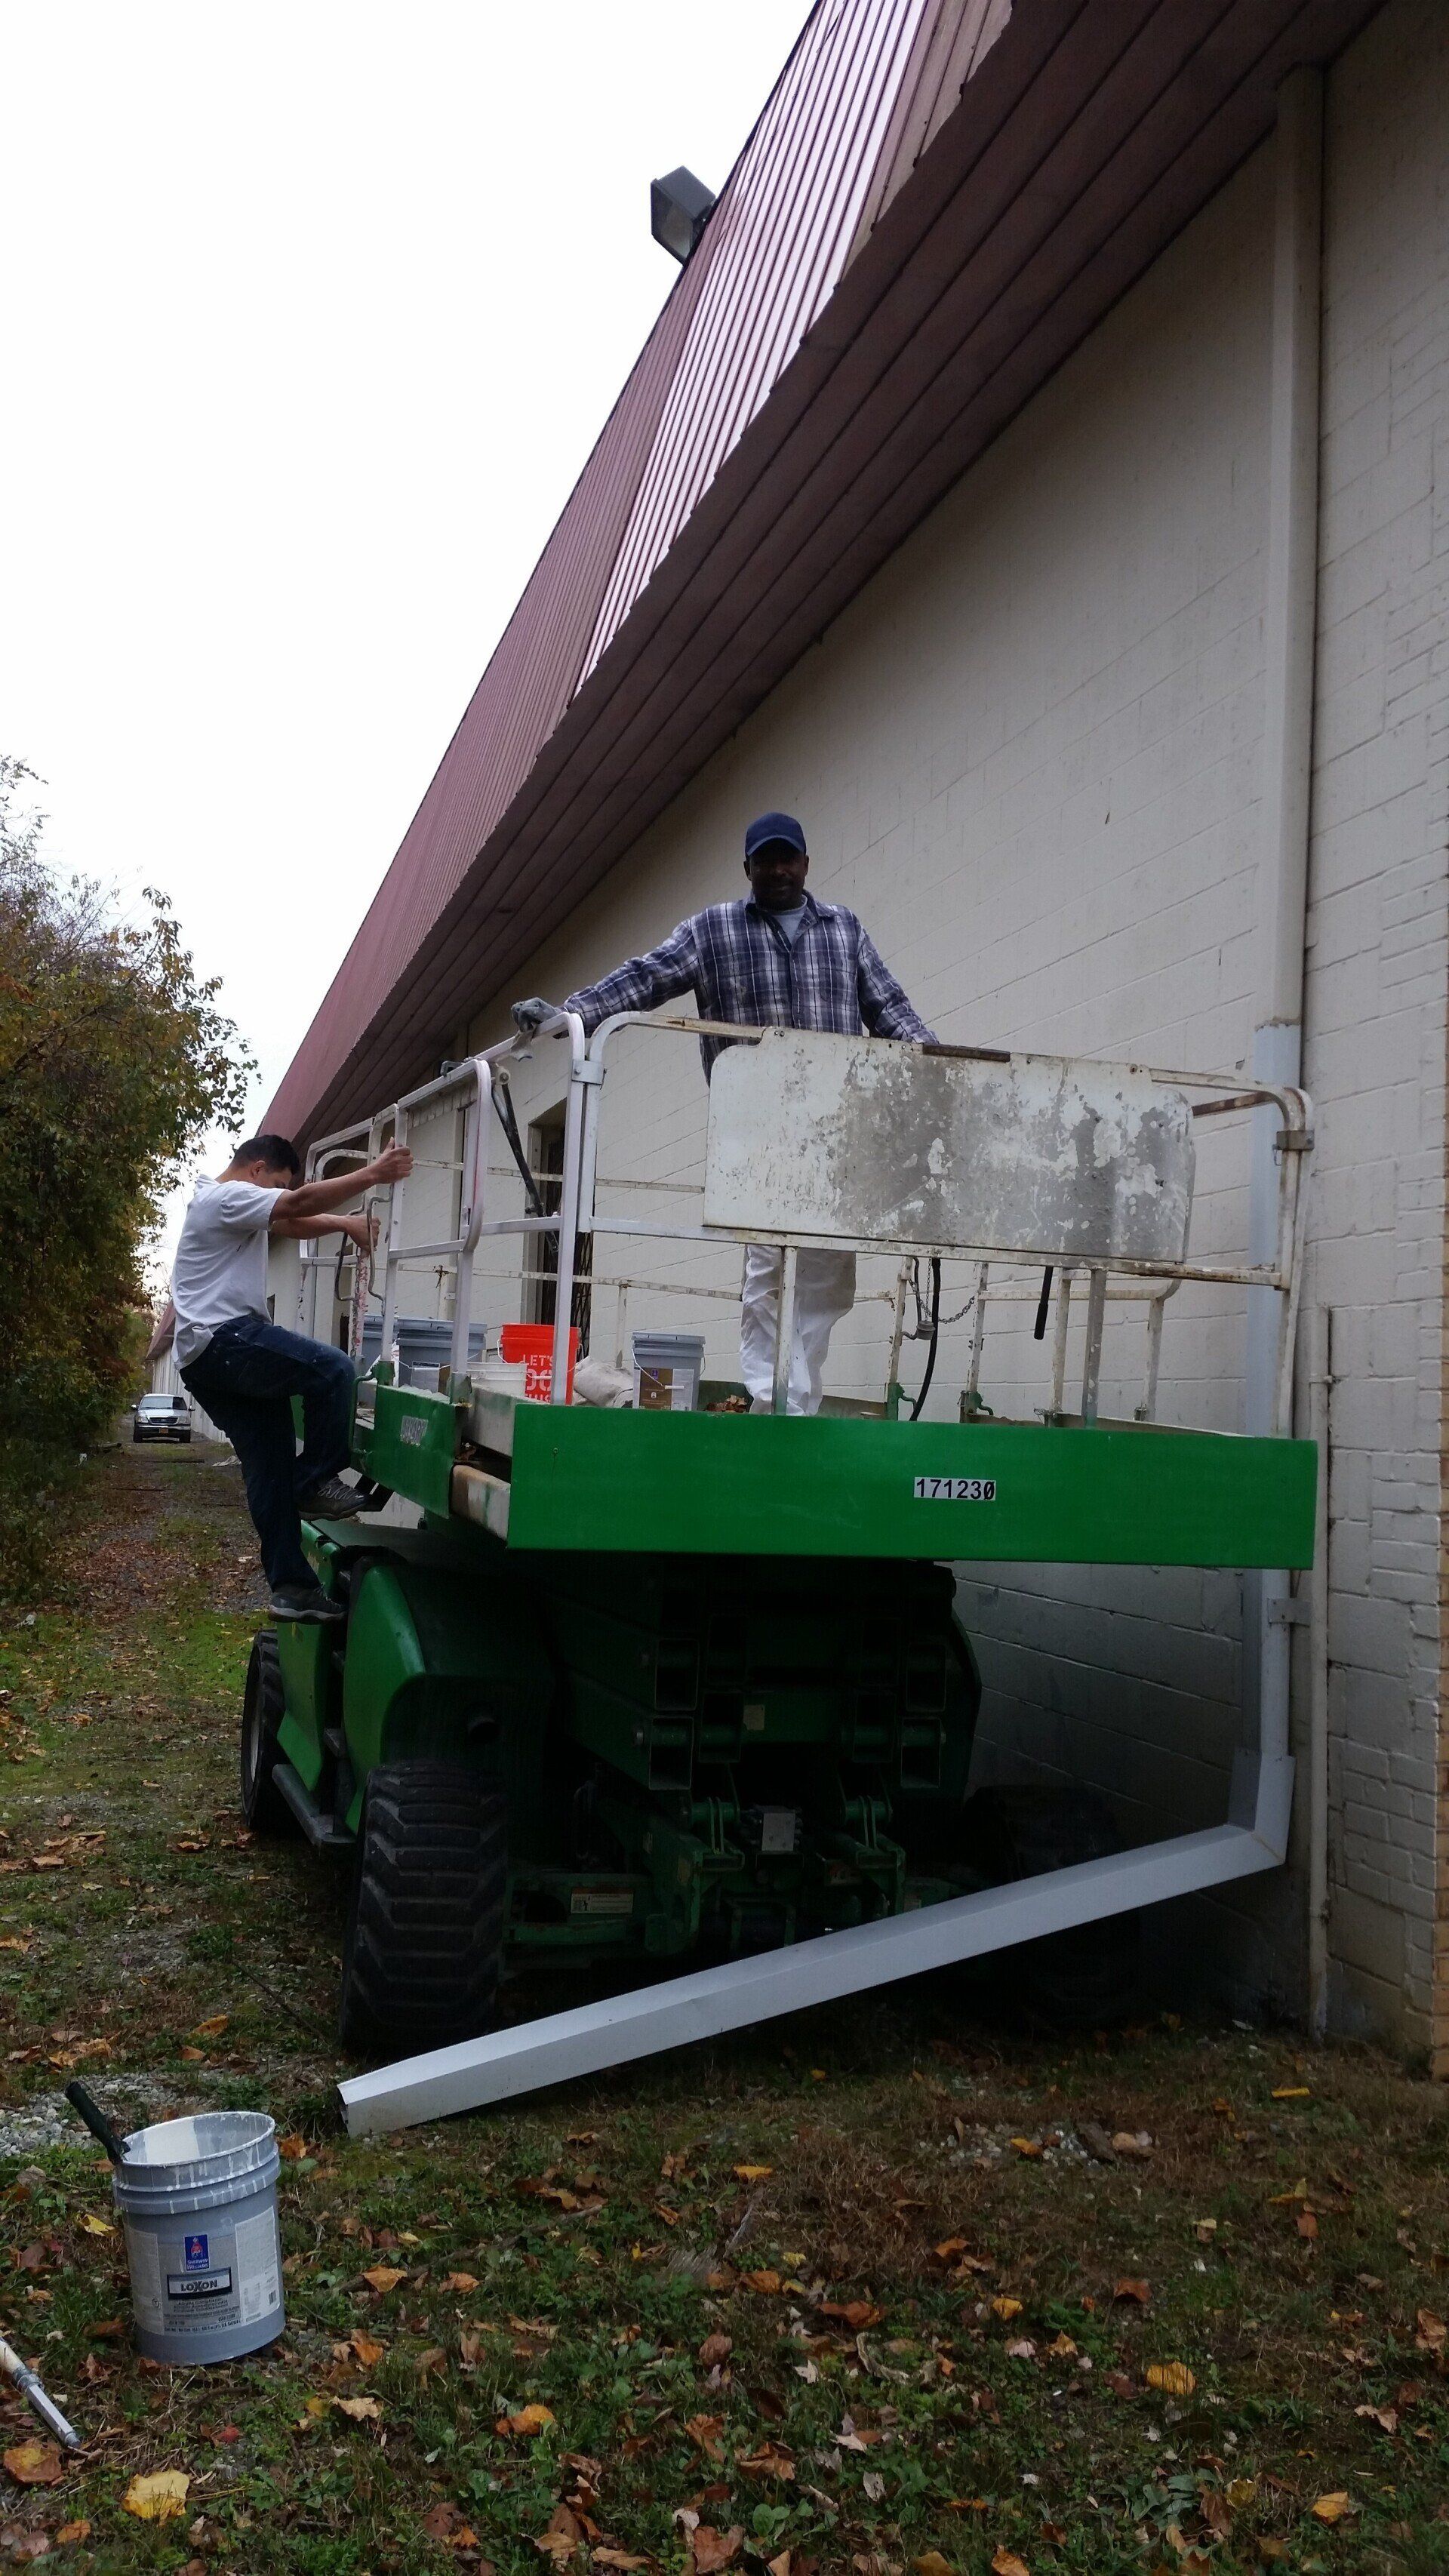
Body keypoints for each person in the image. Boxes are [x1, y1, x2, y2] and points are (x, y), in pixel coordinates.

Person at [512, 811, 934, 1413]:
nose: (779, 870)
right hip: (757, 1131)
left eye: (789, 858)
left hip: (837, 1132)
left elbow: (890, 1008)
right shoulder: (713, 930)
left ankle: (800, 1403)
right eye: (767, 860)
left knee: (827, 1278)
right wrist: (568, 1014)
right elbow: (647, 977)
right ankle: (770, 1403)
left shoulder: (844, 930)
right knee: (767, 1273)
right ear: (748, 869)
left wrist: (944, 1069)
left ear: (806, 864)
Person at [172, 1132, 413, 1621]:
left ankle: (291, 1587)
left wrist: (344, 1222)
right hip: (224, 1340)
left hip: (202, 1357)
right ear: (258, 1169)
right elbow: (298, 1202)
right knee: (333, 1371)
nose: (276, 1196)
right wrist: (374, 1173)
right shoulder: (227, 1195)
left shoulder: (224, 1203)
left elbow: (294, 1218)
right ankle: (313, 1482)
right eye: (276, 1185)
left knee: (268, 1462)